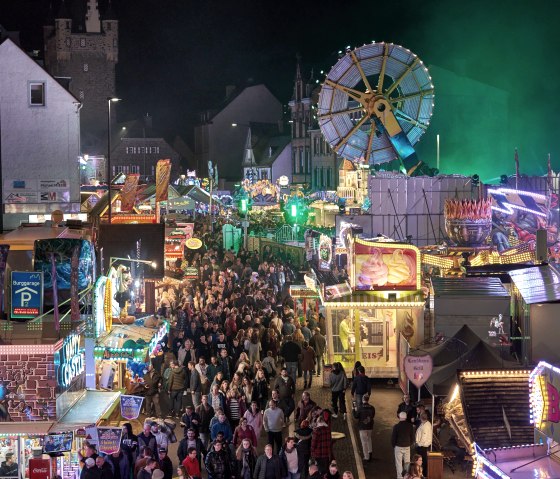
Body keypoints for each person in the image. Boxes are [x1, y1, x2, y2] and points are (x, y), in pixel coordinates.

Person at [392, 411, 415, 479]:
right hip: (407, 446)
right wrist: (409, 444)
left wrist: (394, 445)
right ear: (406, 417)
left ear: (399, 417)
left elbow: (393, 438)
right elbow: (412, 437)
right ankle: (407, 476)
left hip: (398, 447)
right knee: (407, 463)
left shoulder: (396, 426)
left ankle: (400, 477)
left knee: (398, 463)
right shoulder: (410, 426)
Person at [356, 394, 375, 462]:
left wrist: (353, 410)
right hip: (370, 426)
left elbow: (356, 416)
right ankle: (370, 453)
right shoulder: (372, 407)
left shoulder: (360, 408)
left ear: (362, 399)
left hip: (362, 427)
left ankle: (366, 457)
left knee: (364, 442)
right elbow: (373, 415)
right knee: (369, 439)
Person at [415, 413, 432, 477]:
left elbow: (423, 438)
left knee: (422, 461)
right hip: (422, 446)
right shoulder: (425, 423)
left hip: (422, 446)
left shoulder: (426, 426)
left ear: (421, 418)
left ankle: (423, 474)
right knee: (422, 460)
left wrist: (418, 444)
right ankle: (422, 473)